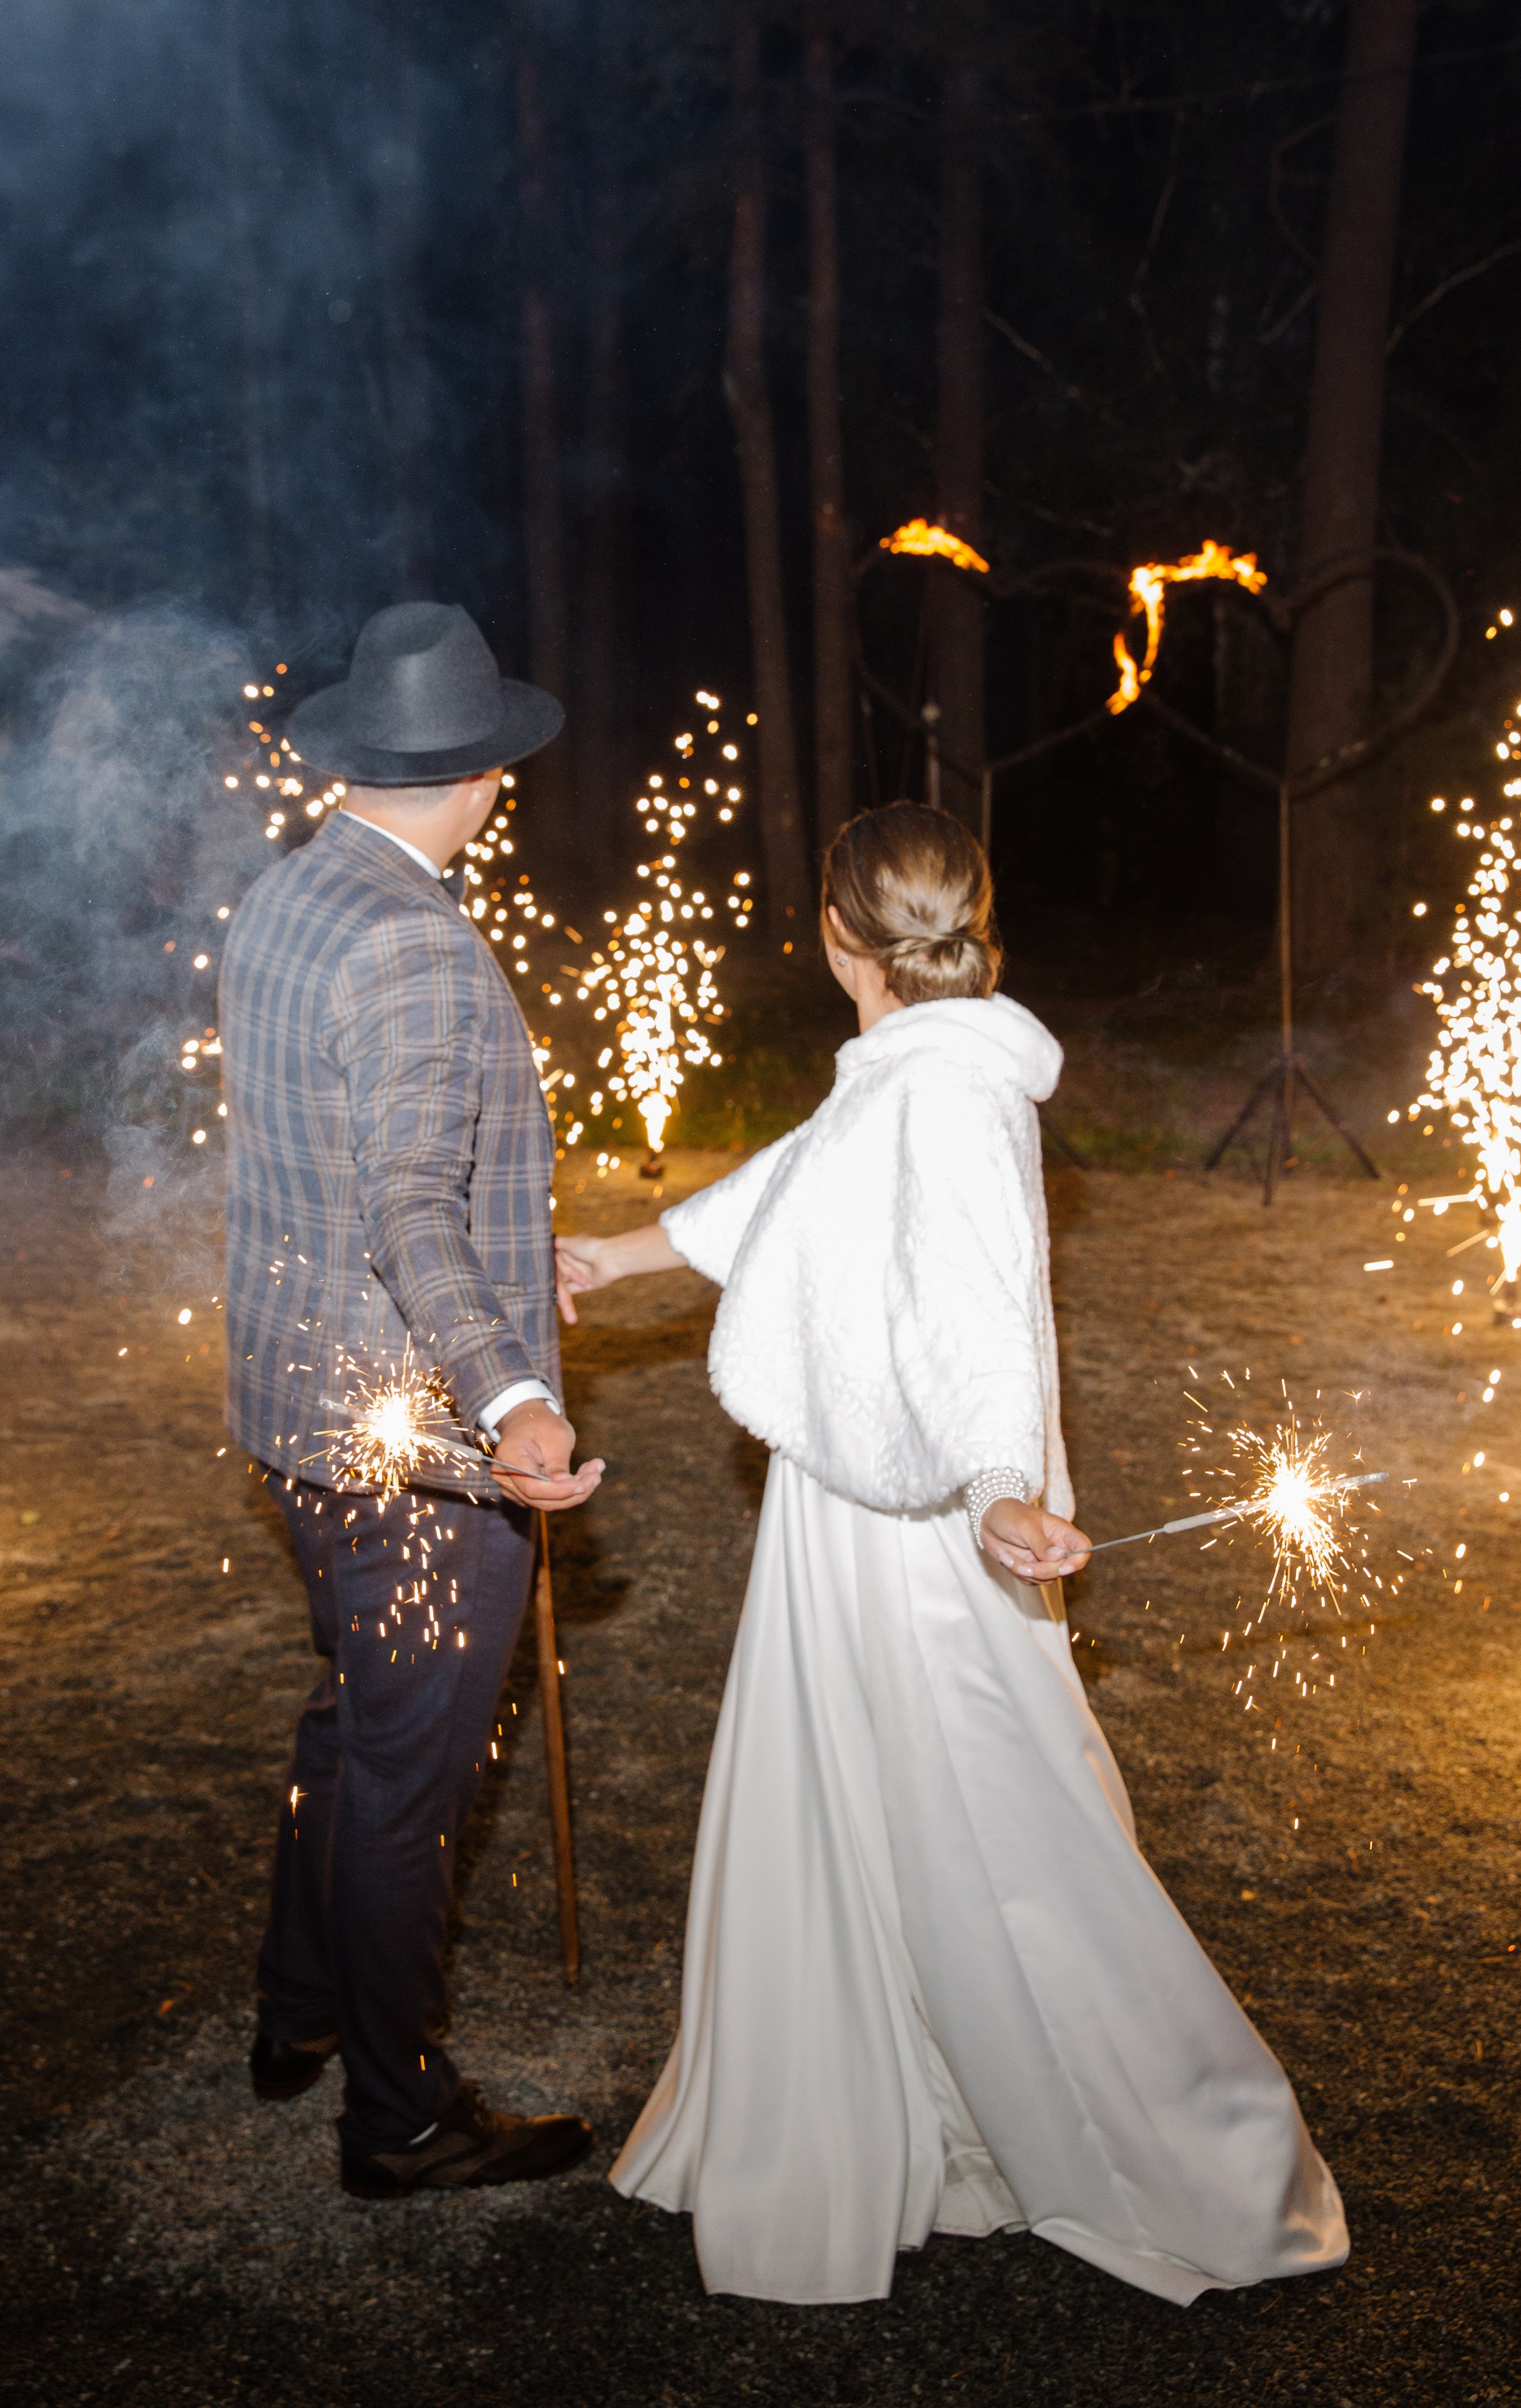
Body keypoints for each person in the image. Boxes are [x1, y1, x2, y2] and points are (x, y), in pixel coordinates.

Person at [557, 802, 1349, 2305]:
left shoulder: (949, 1094)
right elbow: (790, 1186)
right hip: (849, 1504)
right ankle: (907, 2100)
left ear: (837, 933)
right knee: (866, 1801)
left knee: (999, 1817)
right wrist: (618, 1251)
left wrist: (994, 1485)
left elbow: (985, 1298)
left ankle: (1199, 2156)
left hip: (920, 1522)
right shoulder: (909, 1069)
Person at [221, 601, 602, 2199]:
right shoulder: (414, 941)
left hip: (299, 1406)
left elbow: (331, 1156)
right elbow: (408, 1207)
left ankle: (300, 2005)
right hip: (417, 1439)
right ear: (482, 777)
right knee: (403, 1775)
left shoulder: (291, 892)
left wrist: (532, 1251)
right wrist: (508, 1389)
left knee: (352, 1716)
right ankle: (400, 2116)